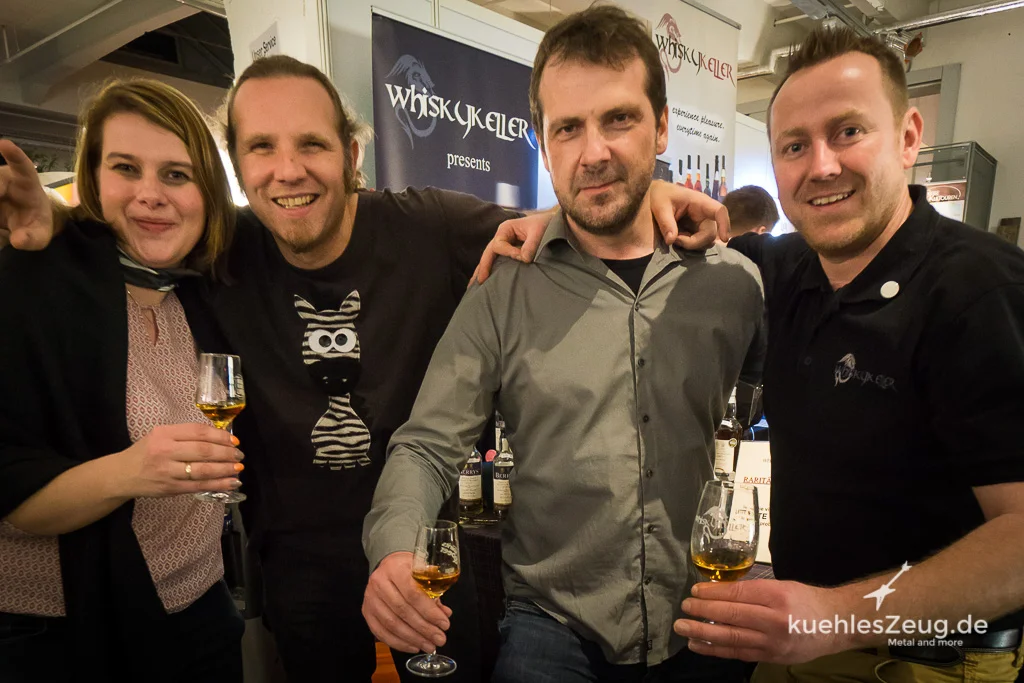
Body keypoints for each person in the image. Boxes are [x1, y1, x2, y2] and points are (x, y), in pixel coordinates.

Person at [0, 56, 726, 682]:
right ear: (239, 166)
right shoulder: (225, 248)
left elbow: (555, 229)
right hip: (300, 579)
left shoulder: (431, 226)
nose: (288, 170)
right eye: (262, 148)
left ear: (351, 153)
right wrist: (56, 224)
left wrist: (646, 196)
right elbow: (134, 227)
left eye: (312, 144)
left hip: (434, 560)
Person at [361, 6, 764, 682]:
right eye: (568, 128)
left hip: (700, 615)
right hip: (551, 621)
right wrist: (395, 550)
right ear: (543, 145)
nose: (593, 151)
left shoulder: (733, 284)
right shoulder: (502, 288)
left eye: (619, 119)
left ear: (662, 126)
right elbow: (427, 445)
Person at [662, 26, 1024, 683]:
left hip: (927, 657)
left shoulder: (978, 290)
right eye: (794, 146)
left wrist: (835, 617)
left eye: (848, 131)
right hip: (800, 639)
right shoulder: (782, 267)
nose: (821, 166)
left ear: (908, 138)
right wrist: (595, 212)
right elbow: (642, 232)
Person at [0, 81, 245, 681]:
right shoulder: (29, 282)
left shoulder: (204, 288)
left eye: (176, 175)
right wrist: (131, 471)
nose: (150, 194)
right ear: (93, 178)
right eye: (126, 169)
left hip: (201, 605)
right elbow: (8, 490)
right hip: (57, 632)